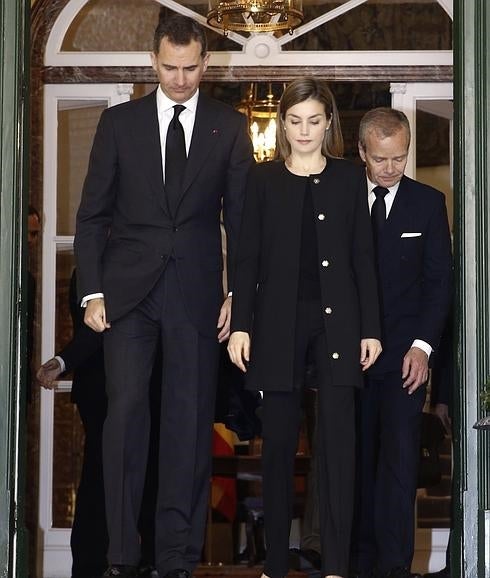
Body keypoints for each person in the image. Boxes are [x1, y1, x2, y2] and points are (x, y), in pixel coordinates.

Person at [73, 11, 254, 578]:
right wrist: (92, 292)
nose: (179, 79)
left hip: (197, 293)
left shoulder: (229, 124)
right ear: (154, 62)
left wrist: (238, 298)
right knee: (124, 418)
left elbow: (243, 225)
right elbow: (91, 215)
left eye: (190, 68)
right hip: (127, 295)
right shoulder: (119, 124)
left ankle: (175, 560)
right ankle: (123, 557)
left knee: (188, 422)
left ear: (206, 63)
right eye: (169, 68)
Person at [228, 77, 383, 578]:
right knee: (276, 447)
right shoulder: (262, 179)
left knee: (339, 448)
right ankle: (275, 563)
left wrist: (371, 329)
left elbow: (363, 258)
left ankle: (336, 563)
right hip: (276, 327)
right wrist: (241, 327)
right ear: (282, 123)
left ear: (329, 122)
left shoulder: (347, 177)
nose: (304, 130)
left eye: (314, 120)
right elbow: (246, 257)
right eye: (295, 121)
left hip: (338, 328)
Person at [351, 108, 453, 578]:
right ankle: (355, 564)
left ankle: (394, 568)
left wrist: (423, 347)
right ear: (362, 153)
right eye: (381, 159)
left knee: (397, 467)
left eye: (400, 157)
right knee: (353, 466)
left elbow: (439, 284)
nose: (391, 168)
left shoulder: (429, 203)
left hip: (404, 362)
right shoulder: (342, 196)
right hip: (347, 360)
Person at [36, 270, 161, 578]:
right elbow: (92, 330)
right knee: (99, 480)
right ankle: (96, 565)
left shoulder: (144, 262)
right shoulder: (85, 274)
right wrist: (63, 361)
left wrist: (63, 361)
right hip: (100, 395)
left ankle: (147, 561)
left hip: (145, 390)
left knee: (147, 476)